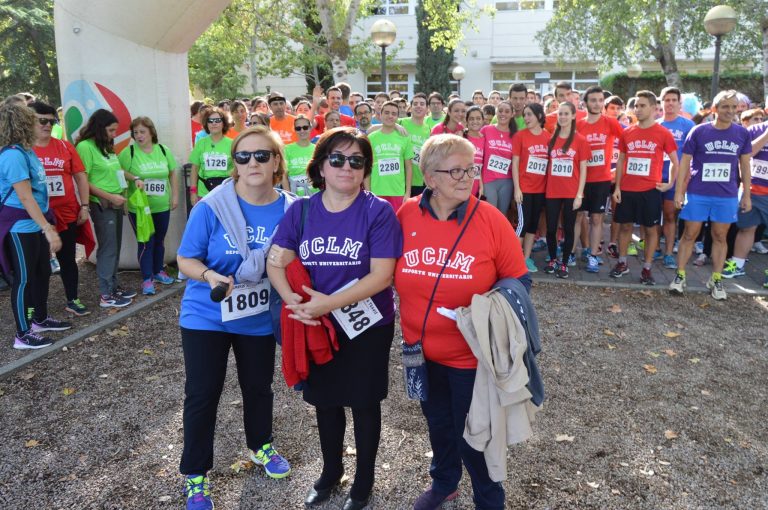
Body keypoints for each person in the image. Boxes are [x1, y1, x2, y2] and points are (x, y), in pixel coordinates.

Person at [267, 127, 402, 510]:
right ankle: (330, 472)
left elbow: (382, 275)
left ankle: (363, 482)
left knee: (363, 401)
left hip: (367, 324)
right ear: (321, 166)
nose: (347, 167)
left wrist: (329, 303)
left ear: (365, 169)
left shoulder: (378, 211)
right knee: (325, 402)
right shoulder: (302, 210)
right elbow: (276, 259)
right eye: (338, 159)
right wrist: (293, 301)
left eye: (356, 161)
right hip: (317, 324)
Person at [394, 133, 529, 510]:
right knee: (437, 422)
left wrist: (486, 309)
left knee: (476, 434)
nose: (466, 177)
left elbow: (519, 281)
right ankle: (444, 484)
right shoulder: (405, 214)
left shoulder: (489, 219)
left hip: (470, 357)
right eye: (455, 170)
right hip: (418, 351)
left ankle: (489, 499)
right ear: (429, 177)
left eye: (470, 168)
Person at [177, 126, 293, 510]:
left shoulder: (293, 210)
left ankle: (261, 445)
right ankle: (195, 476)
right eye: (243, 156)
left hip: (256, 313)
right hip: (206, 313)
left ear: (277, 161)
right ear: (234, 165)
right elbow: (185, 259)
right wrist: (210, 275)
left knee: (258, 387)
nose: (252, 163)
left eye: (262, 155)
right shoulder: (211, 207)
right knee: (202, 393)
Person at [0, 102, 72, 349]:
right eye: (35, 120)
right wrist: (48, 228)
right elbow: (25, 197)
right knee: (24, 280)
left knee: (42, 273)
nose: (43, 125)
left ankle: (39, 318)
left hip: (35, 223)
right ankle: (23, 333)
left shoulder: (26, 151)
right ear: (22, 124)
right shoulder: (12, 155)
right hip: (21, 228)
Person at [669, 90, 752, 300]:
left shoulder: (742, 133)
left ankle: (716, 278)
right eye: (725, 106)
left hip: (726, 195)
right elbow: (685, 163)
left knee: (720, 236)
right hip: (698, 193)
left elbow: (745, 166)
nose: (730, 111)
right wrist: (679, 191)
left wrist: (746, 195)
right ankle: (680, 276)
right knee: (689, 234)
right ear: (714, 109)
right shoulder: (698, 131)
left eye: (734, 107)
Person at [610, 91, 678, 285]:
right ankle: (622, 263)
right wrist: (618, 186)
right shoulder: (628, 132)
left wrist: (670, 183)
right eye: (636, 106)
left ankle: (647, 268)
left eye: (642, 106)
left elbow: (675, 160)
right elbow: (621, 160)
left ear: (654, 109)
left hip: (650, 190)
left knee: (650, 230)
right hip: (628, 189)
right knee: (625, 226)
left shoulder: (663, 133)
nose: (638, 109)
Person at [30, 101, 91, 316]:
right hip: (36, 218)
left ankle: (72, 298)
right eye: (42, 120)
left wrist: (84, 206)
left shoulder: (64, 146)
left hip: (66, 214)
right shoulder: (24, 149)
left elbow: (81, 177)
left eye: (51, 121)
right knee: (39, 266)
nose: (47, 125)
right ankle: (38, 310)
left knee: (68, 259)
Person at [77, 109, 139, 308]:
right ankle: (106, 294)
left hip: (116, 201)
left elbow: (118, 171)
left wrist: (134, 179)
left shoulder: (106, 146)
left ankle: (113, 286)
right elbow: (83, 180)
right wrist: (109, 196)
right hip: (102, 203)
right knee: (108, 248)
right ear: (99, 128)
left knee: (115, 246)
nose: (114, 134)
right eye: (111, 130)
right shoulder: (85, 147)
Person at [118, 116, 179, 295]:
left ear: (151, 132)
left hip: (161, 205)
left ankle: (158, 270)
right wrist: (133, 180)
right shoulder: (128, 152)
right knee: (146, 242)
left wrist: (174, 196)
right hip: (139, 208)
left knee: (159, 240)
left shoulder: (163, 150)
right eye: (135, 132)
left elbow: (172, 173)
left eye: (142, 132)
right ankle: (147, 279)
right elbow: (119, 172)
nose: (139, 136)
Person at [575, 85, 624, 273]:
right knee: (578, 216)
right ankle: (572, 252)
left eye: (599, 100)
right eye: (593, 100)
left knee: (597, 218)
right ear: (586, 103)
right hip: (581, 180)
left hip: (601, 180)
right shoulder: (579, 124)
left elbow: (625, 146)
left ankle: (594, 256)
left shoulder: (611, 123)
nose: (596, 103)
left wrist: (617, 171)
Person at [543, 102, 589, 278]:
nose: (562, 117)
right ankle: (553, 259)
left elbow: (584, 169)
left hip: (571, 192)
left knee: (569, 228)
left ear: (573, 116)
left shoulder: (580, 140)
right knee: (551, 228)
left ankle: (564, 263)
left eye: (565, 114)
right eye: (560, 114)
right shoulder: (551, 139)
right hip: (552, 191)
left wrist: (579, 194)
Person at [721, 119, 768, 278]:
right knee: (746, 228)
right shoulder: (755, 130)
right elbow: (745, 154)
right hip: (753, 191)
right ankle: (737, 264)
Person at [657, 87, 695, 269]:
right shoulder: (655, 124)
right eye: (667, 100)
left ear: (680, 104)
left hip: (677, 179)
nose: (670, 103)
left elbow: (693, 154)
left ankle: (668, 252)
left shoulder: (688, 126)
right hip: (655, 177)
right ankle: (654, 247)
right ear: (661, 102)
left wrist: (686, 178)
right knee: (652, 216)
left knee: (670, 215)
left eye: (674, 100)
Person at [512, 103, 551, 273]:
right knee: (522, 224)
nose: (526, 118)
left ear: (539, 117)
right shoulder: (520, 136)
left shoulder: (548, 137)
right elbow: (515, 163)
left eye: (530, 115)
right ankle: (511, 258)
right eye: (525, 115)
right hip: (525, 188)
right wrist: (517, 188)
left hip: (540, 189)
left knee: (533, 225)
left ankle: (526, 258)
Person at [366, 101, 413, 210]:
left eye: (393, 113)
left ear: (397, 116)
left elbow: (409, 167)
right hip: (376, 191)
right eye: (386, 113)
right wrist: (368, 192)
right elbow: (367, 167)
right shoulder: (371, 138)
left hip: (397, 192)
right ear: (380, 115)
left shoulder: (405, 137)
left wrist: (408, 192)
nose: (390, 116)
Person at [189, 107, 233, 205]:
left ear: (223, 123)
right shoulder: (201, 143)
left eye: (217, 120)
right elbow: (194, 169)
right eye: (210, 121)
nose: (214, 123)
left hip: (226, 192)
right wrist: (193, 192)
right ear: (206, 124)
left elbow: (237, 169)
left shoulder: (232, 144)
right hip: (204, 192)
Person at [480, 100, 516, 215]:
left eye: (507, 111)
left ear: (512, 114)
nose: (503, 114)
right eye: (500, 111)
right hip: (488, 179)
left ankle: (499, 234)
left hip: (507, 181)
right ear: (496, 112)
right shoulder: (486, 130)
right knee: (490, 214)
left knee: (502, 215)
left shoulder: (515, 135)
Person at [398, 93, 432, 196]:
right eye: (415, 103)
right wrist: (395, 126)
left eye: (422, 104)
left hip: (419, 180)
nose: (418, 106)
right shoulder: (400, 122)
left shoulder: (428, 129)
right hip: (401, 179)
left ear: (427, 109)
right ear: (410, 108)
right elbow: (373, 129)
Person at [281, 115, 316, 196]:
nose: (302, 130)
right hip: (295, 195)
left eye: (305, 127)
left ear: (310, 128)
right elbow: (284, 176)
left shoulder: (317, 149)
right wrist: (289, 196)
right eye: (298, 128)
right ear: (294, 130)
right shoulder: (286, 149)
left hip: (315, 193)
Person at [462, 105, 485, 198]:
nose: (475, 121)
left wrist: (481, 186)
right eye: (471, 119)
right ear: (466, 121)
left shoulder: (484, 139)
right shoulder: (462, 137)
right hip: (462, 181)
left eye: (478, 118)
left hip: (476, 183)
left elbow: (479, 165)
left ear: (483, 120)